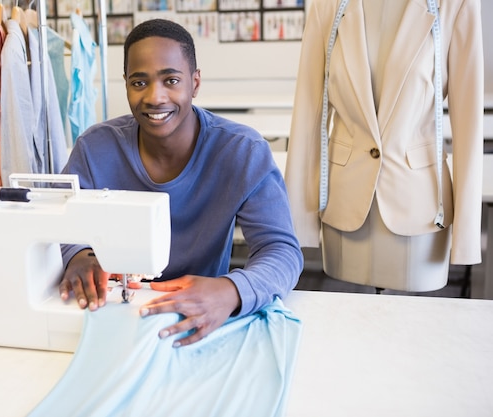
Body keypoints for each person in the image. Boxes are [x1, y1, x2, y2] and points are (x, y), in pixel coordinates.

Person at [58, 18, 303, 347]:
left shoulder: (242, 153)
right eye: (139, 82)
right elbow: (60, 222)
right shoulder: (96, 148)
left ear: (195, 82)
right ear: (126, 84)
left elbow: (281, 250)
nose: (155, 97)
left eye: (171, 80)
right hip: (115, 313)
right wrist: (79, 254)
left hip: (202, 315)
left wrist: (232, 290)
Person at [285, 0, 483, 292]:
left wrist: (466, 234)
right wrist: (297, 222)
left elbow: (468, 124)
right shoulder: (327, 5)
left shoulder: (455, 4)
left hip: (420, 212)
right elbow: (308, 114)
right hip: (345, 209)